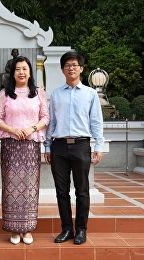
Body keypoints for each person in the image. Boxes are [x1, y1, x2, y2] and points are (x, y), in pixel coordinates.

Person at [44, 51, 104, 245]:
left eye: (74, 64)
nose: (71, 68)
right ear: (63, 70)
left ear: (81, 68)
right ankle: (66, 229)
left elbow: (96, 121)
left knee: (82, 190)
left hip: (81, 145)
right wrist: (47, 147)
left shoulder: (90, 93)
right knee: (61, 191)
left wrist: (99, 145)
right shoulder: (55, 94)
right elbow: (51, 123)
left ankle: (81, 230)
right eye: (67, 65)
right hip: (59, 147)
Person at [0, 56, 50, 245]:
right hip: (10, 144)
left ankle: (27, 228)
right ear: (13, 73)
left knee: (30, 187)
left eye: (25, 69)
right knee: (11, 186)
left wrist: (31, 129)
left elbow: (45, 117)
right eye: (18, 69)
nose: (21, 72)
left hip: (31, 144)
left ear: (30, 72)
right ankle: (14, 229)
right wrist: (13, 129)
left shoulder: (38, 93)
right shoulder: (5, 93)